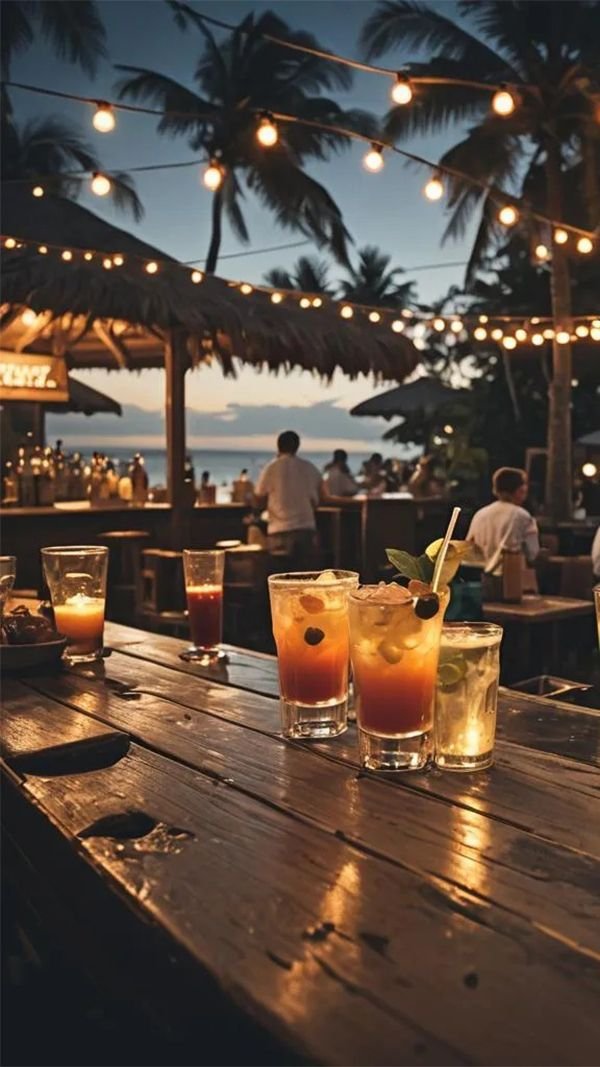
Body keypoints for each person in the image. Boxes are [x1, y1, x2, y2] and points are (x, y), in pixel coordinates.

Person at [255, 431, 322, 568]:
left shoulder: (271, 468)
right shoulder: (309, 467)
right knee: (305, 578)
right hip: (305, 529)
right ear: (297, 446)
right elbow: (319, 498)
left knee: (281, 579)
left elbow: (259, 498)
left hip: (279, 530)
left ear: (278, 446)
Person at [467, 466, 540, 570]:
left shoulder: (480, 514)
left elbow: (469, 548)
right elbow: (533, 554)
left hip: (482, 577)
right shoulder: (521, 515)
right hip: (512, 578)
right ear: (520, 489)